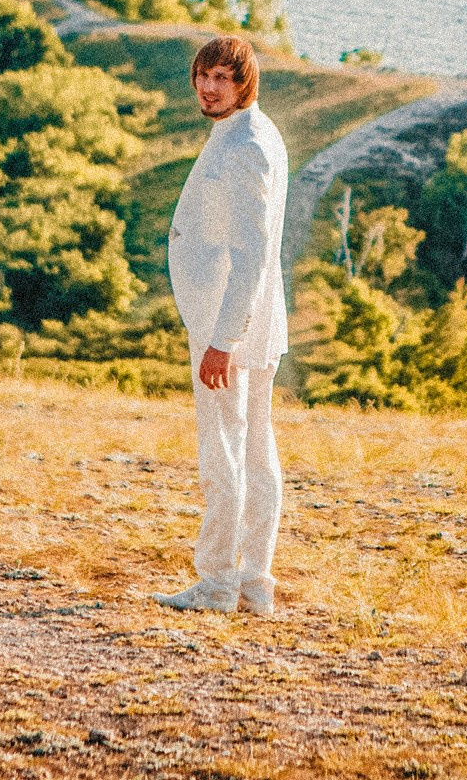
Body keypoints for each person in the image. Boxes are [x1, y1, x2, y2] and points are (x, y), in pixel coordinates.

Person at [153, 33, 289, 616]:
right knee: (254, 451)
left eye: (222, 79)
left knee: (227, 454)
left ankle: (217, 584)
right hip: (246, 323)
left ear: (243, 83)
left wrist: (222, 342)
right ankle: (255, 585)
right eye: (202, 76)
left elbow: (253, 253)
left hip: (228, 327)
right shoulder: (252, 134)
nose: (208, 88)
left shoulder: (248, 147)